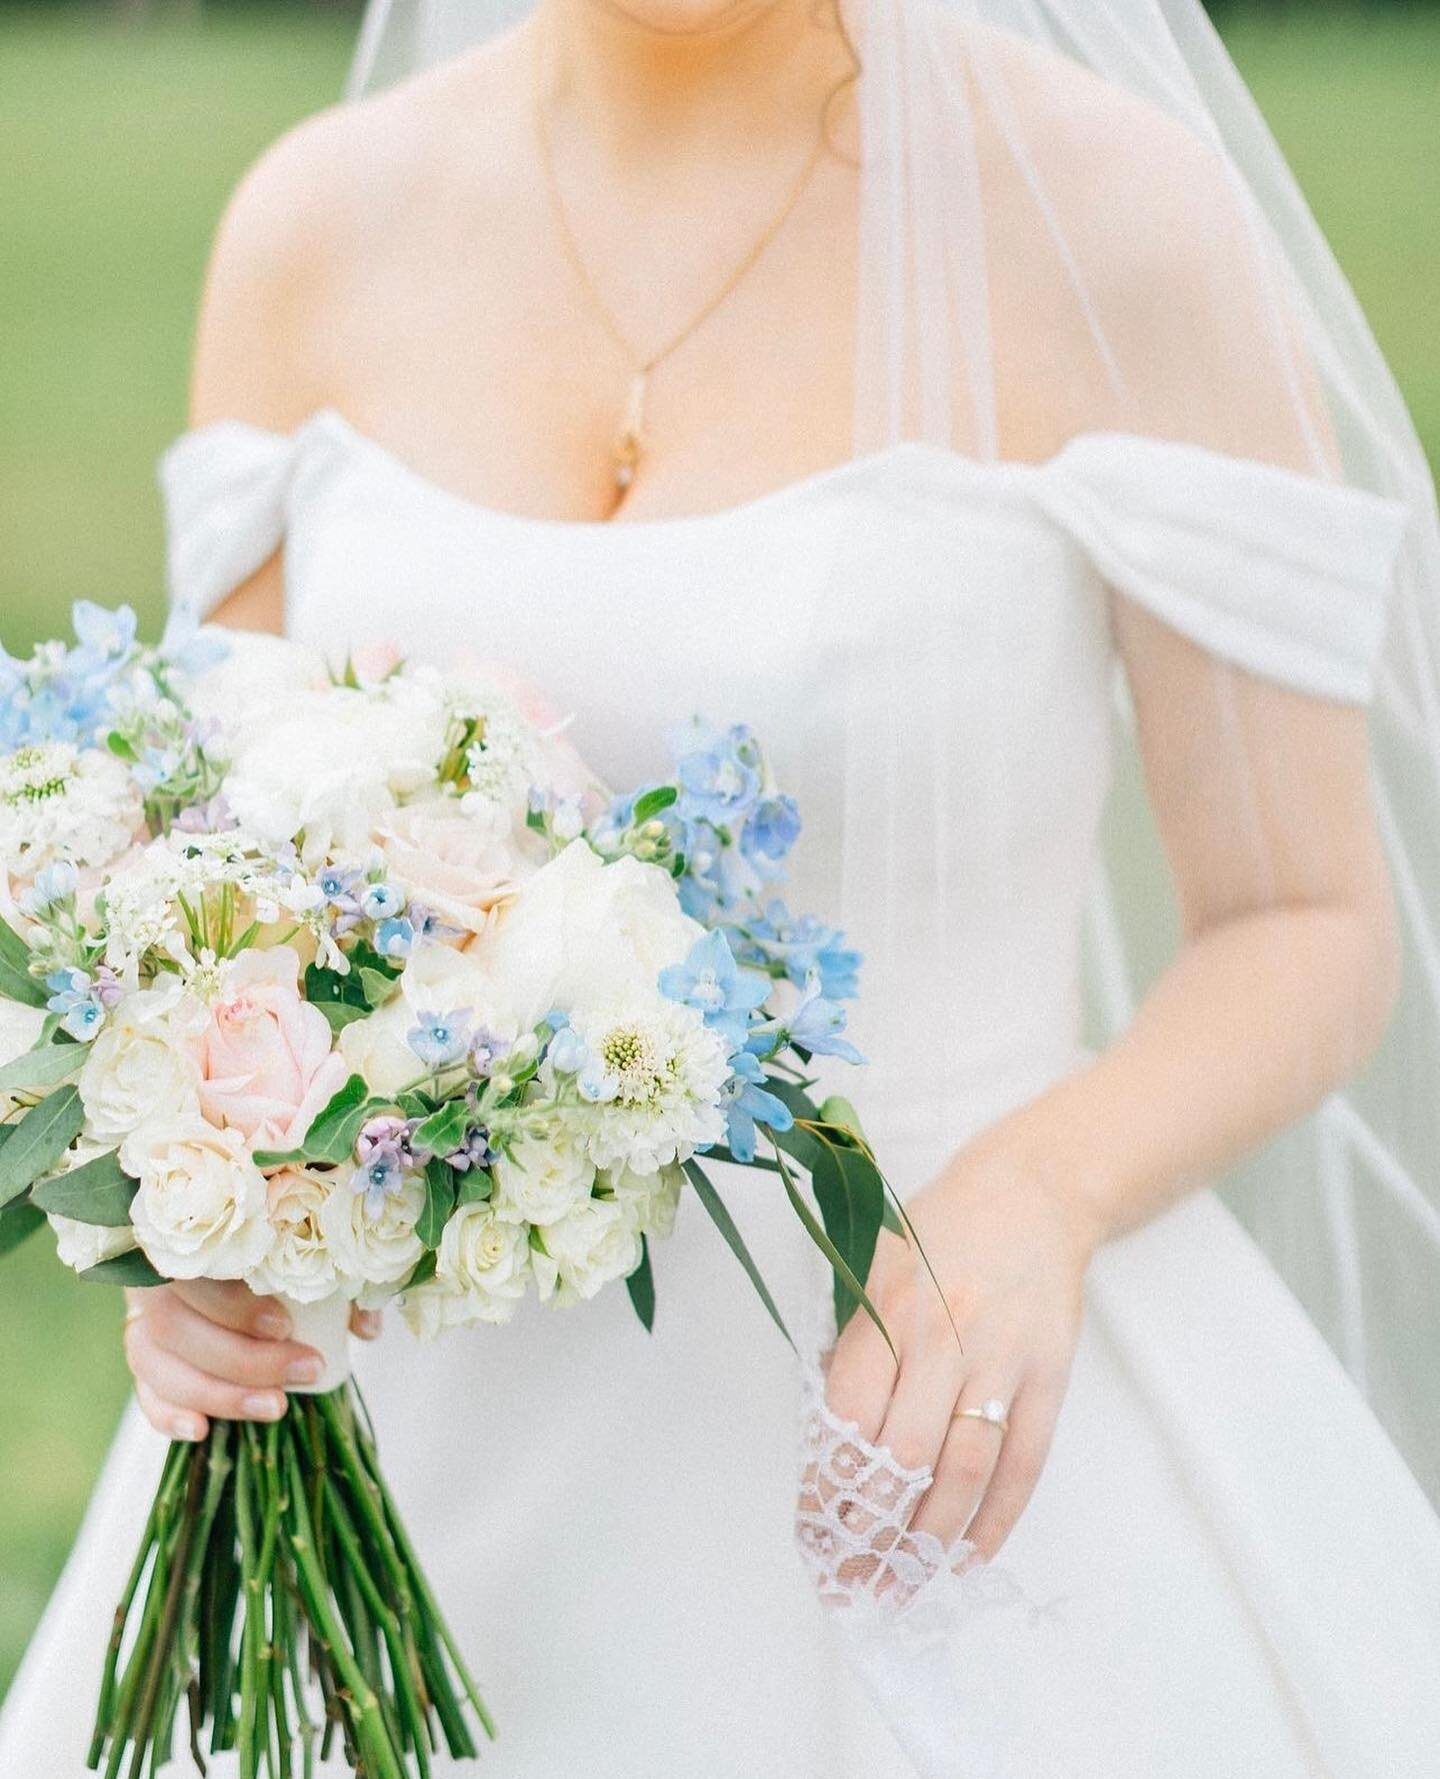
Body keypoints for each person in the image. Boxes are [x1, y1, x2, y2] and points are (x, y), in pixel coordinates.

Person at [4, 0, 1439, 1772]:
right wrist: (195, 1226)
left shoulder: (1121, 218)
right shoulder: (314, 220)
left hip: (921, 1382)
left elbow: (1306, 921)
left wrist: (1040, 1196)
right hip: (387, 1419)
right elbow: (211, 888)